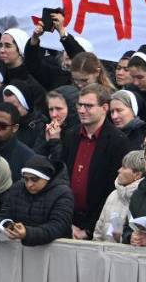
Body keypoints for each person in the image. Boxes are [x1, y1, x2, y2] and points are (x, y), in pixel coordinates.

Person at [45, 83, 128, 239]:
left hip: (97, 225)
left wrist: (88, 230)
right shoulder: (70, 135)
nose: (82, 110)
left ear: (104, 108)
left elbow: (112, 189)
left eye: (89, 106)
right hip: (68, 221)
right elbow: (61, 178)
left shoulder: (118, 141)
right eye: (80, 105)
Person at [0, 155, 74, 246]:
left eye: (34, 179)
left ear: (47, 178)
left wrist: (28, 233)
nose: (29, 184)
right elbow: (5, 214)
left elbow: (57, 227)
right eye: (26, 179)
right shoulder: (17, 188)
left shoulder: (63, 193)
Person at [92, 149, 144, 242]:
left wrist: (121, 238)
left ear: (137, 175)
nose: (119, 170)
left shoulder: (144, 198)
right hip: (102, 253)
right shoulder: (113, 194)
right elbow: (99, 229)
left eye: (124, 167)